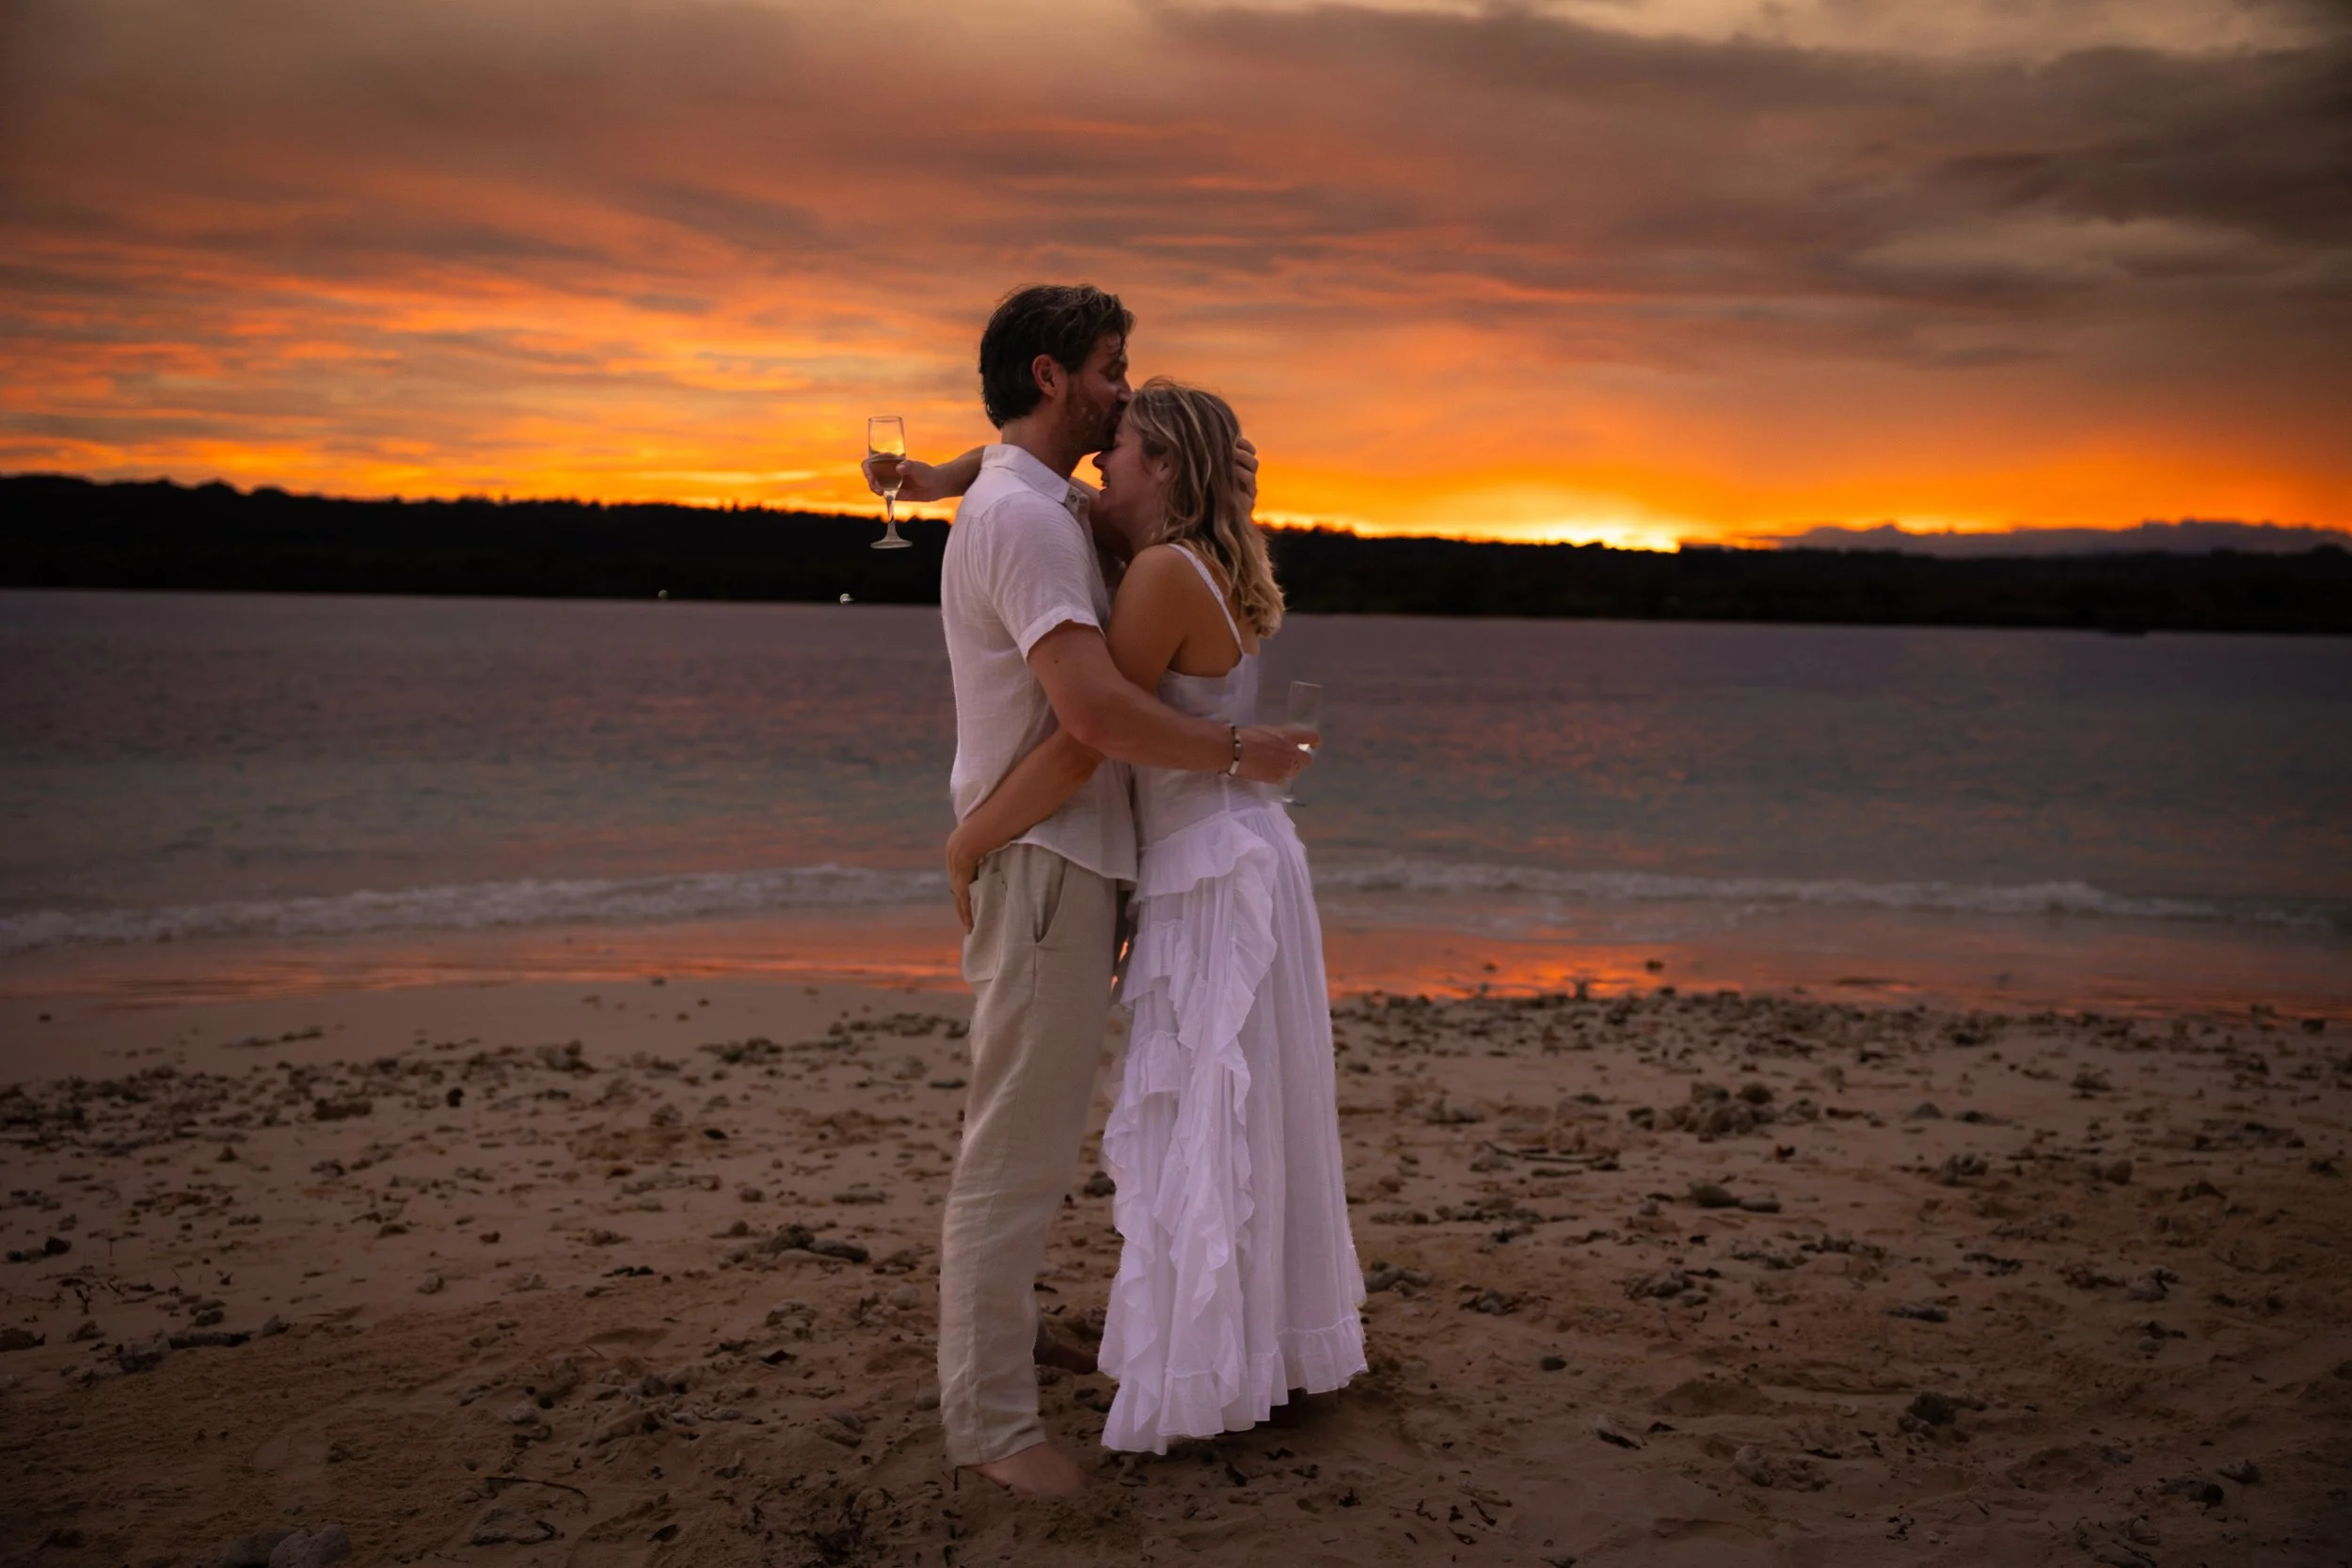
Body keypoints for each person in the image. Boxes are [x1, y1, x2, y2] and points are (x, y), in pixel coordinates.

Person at [866, 284, 1316, 1497]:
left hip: (1083, 857)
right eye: (1114, 369)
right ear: (1058, 374)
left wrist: (921, 476)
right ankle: (995, 1422)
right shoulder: (1024, 521)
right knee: (1014, 1143)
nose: (1126, 389)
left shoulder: (1036, 497)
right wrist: (968, 844)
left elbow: (998, 462)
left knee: (1042, 1124)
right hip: (1048, 853)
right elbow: (1089, 719)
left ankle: (1008, 1338)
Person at [933, 377, 1368, 1456]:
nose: (1099, 467)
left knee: (1208, 1119)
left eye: (1119, 450)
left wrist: (973, 834)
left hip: (1211, 868)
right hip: (1228, 854)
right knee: (1238, 1114)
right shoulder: (1188, 562)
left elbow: (1089, 733)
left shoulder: (1164, 571)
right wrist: (943, 475)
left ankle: (1208, 1365)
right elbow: (1033, 486)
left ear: (1165, 466)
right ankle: (1253, 1347)